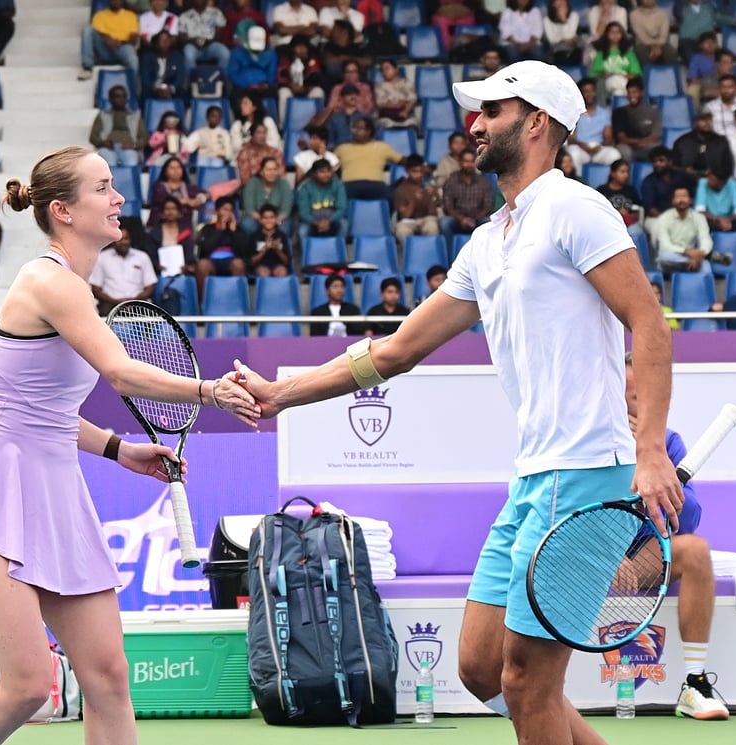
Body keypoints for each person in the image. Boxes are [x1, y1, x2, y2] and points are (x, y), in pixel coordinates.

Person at [231, 60, 682, 745]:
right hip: (533, 478)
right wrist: (280, 396)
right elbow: (394, 350)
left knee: (529, 681)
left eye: (492, 112)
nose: (474, 125)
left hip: (588, 473)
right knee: (478, 667)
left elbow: (648, 320)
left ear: (536, 122)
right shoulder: (485, 243)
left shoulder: (574, 208)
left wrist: (650, 450)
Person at [0, 145, 259, 745]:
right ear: (63, 210)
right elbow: (124, 373)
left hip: (57, 493)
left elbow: (44, 409)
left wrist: (117, 449)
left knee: (108, 675)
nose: (119, 199)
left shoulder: (78, 288)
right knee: (27, 683)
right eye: (103, 187)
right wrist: (209, 390)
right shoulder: (46, 281)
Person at [623, 353, 729, 720]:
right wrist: (606, 554)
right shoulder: (587, 442)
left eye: (645, 397)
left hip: (645, 561)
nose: (640, 405)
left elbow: (690, 519)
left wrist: (654, 461)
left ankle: (694, 683)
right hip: (590, 559)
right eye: (633, 396)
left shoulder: (669, 442)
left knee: (696, 550)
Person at [89, 226, 159, 316]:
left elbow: (150, 287)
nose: (123, 242)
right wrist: (117, 302)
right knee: (103, 313)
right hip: (110, 303)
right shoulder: (102, 258)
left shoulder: (142, 257)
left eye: (126, 238)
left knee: (151, 315)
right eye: (120, 239)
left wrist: (133, 302)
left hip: (139, 303)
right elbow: (96, 289)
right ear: (113, 241)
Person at [334, 116, 405, 202]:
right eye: (354, 128)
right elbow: (328, 165)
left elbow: (402, 160)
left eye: (359, 128)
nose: (355, 131)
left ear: (369, 132)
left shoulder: (381, 147)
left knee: (390, 197)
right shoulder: (342, 148)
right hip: (349, 185)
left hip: (375, 185)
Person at [194, 194, 250, 298]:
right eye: (224, 210)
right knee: (202, 265)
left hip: (231, 260)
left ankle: (237, 301)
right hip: (212, 261)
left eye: (230, 210)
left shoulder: (238, 230)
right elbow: (205, 250)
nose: (227, 213)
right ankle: (203, 302)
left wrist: (234, 232)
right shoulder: (208, 228)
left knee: (238, 264)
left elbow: (243, 253)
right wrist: (220, 230)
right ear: (217, 211)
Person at [564, 77, 621, 175]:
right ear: (581, 94)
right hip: (581, 148)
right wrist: (583, 146)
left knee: (615, 155)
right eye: (586, 91)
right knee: (573, 153)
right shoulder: (575, 112)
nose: (590, 94)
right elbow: (571, 138)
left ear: (596, 92)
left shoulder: (605, 113)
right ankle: (579, 184)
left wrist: (599, 146)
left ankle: (607, 187)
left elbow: (608, 138)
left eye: (592, 91)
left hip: (598, 148)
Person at [655, 185, 716, 272]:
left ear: (690, 200)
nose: (681, 200)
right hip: (672, 259)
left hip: (693, 256)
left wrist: (700, 254)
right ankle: (688, 263)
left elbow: (706, 240)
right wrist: (686, 251)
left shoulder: (699, 218)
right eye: (678, 197)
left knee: (707, 268)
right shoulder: (664, 218)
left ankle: (691, 263)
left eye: (684, 196)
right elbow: (665, 246)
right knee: (663, 258)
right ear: (673, 201)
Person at [440, 148, 494, 246]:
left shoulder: (484, 182)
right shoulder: (451, 181)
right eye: (466, 161)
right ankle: (449, 257)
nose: (469, 165)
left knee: (489, 221)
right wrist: (462, 219)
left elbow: (487, 206)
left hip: (478, 219)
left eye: (472, 161)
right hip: (457, 220)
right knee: (445, 223)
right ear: (460, 162)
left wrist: (474, 219)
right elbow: (448, 207)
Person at [641, 145, 694, 243]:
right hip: (657, 218)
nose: (657, 164)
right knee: (658, 228)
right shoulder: (649, 181)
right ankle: (660, 257)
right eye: (654, 161)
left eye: (661, 160)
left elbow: (693, 197)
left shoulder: (682, 177)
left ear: (670, 162)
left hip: (683, 215)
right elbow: (651, 209)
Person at [78, 0, 139, 81]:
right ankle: (87, 68)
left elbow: (133, 40)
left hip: (123, 47)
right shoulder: (100, 15)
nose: (115, 2)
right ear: (108, 1)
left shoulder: (131, 16)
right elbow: (99, 32)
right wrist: (107, 39)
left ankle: (131, 87)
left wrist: (120, 42)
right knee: (87, 29)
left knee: (132, 57)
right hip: (104, 48)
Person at [88, 85, 147, 167]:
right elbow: (92, 137)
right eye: (117, 96)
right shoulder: (103, 115)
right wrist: (102, 143)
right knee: (107, 165)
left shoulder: (135, 116)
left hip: (129, 148)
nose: (122, 99)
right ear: (110, 99)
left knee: (131, 163)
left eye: (124, 96)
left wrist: (134, 145)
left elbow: (144, 138)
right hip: (108, 148)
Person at [276, 34, 325, 130]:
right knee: (283, 93)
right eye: (298, 46)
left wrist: (305, 88)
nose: (301, 49)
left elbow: (315, 77)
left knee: (318, 92)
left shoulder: (312, 60)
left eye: (304, 47)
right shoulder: (286, 59)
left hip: (307, 90)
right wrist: (291, 85)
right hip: (291, 89)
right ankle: (283, 127)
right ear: (293, 48)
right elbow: (282, 76)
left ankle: (317, 126)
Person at [295, 157, 348, 246]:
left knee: (344, 225)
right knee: (302, 231)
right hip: (312, 221)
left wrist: (328, 221)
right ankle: (308, 256)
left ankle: (338, 254)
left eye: (328, 171)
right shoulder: (305, 188)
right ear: (314, 174)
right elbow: (304, 212)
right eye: (322, 172)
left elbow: (342, 208)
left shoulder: (338, 185)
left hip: (332, 219)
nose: (326, 175)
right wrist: (317, 223)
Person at [671, 111, 734, 184]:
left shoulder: (721, 142)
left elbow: (728, 166)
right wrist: (685, 170)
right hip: (687, 182)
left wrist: (713, 174)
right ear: (695, 123)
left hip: (715, 182)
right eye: (703, 120)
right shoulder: (682, 141)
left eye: (709, 120)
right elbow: (673, 166)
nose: (707, 123)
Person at [147, 156, 207, 230]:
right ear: (165, 172)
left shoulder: (189, 187)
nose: (176, 171)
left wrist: (197, 200)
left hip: (184, 229)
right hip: (160, 228)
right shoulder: (159, 187)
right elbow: (167, 201)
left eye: (179, 167)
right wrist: (187, 201)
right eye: (172, 168)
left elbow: (207, 194)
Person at [588, 21, 642, 104]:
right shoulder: (601, 54)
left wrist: (622, 76)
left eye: (618, 32)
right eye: (612, 32)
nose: (615, 35)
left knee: (618, 92)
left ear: (622, 34)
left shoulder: (629, 54)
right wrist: (604, 75)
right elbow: (594, 76)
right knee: (613, 81)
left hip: (625, 81)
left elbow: (635, 74)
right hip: (607, 83)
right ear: (607, 34)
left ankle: (615, 108)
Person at [393, 154, 440, 246]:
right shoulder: (400, 189)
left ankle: (429, 253)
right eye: (414, 171)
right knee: (401, 230)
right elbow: (405, 216)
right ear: (407, 171)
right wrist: (414, 200)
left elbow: (433, 214)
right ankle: (412, 255)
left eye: (420, 171)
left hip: (426, 219)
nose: (418, 175)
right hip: (409, 221)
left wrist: (433, 196)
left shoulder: (429, 187)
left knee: (432, 226)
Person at [612, 76, 662, 163]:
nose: (631, 96)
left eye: (634, 92)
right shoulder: (619, 112)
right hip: (628, 147)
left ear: (641, 93)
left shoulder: (653, 112)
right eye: (629, 92)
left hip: (646, 147)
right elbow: (621, 138)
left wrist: (637, 143)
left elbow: (655, 137)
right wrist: (640, 142)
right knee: (624, 151)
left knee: (657, 150)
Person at [240, 156, 293, 236]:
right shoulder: (252, 183)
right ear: (261, 172)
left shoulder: (284, 184)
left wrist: (274, 221)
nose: (272, 173)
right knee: (247, 224)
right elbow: (249, 208)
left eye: (274, 169)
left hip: (278, 219)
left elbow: (285, 210)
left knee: (284, 228)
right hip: (257, 218)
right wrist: (263, 221)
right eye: (268, 170)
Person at [145, 195, 196, 276]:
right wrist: (157, 265)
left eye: (174, 209)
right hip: (159, 272)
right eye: (167, 209)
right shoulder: (154, 232)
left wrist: (186, 266)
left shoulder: (185, 232)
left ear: (179, 212)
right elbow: (150, 254)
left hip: (183, 272)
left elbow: (189, 254)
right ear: (162, 212)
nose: (170, 212)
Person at [227, 25, 277, 103]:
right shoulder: (236, 53)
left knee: (273, 93)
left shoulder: (271, 54)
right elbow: (232, 73)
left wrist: (266, 84)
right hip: (243, 87)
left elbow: (272, 73)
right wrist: (246, 85)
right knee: (235, 94)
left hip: (263, 88)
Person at [596, 158, 645, 237]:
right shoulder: (602, 190)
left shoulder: (631, 190)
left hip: (627, 224)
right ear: (613, 173)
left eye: (627, 172)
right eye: (622, 172)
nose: (626, 175)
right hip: (608, 224)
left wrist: (629, 215)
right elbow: (597, 211)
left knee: (636, 232)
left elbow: (638, 211)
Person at [177, 0, 229, 73]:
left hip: (211, 45)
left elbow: (219, 34)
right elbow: (181, 37)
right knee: (188, 53)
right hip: (193, 46)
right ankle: (191, 79)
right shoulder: (184, 15)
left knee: (224, 53)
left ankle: (219, 77)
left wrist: (209, 41)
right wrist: (192, 41)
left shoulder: (216, 12)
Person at [694, 168, 736, 233]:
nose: (709, 180)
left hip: (729, 221)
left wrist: (727, 220)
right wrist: (718, 220)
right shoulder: (703, 183)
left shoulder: (732, 184)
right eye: (709, 177)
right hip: (711, 221)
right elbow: (700, 212)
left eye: (712, 179)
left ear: (722, 182)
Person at [629, 0, 679, 68]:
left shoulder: (663, 13)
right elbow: (641, 35)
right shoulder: (634, 14)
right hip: (642, 43)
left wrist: (658, 46)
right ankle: (648, 77)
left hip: (662, 43)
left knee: (670, 52)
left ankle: (673, 76)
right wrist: (653, 47)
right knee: (641, 51)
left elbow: (664, 33)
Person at [373, 59, 419, 132]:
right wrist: (398, 105)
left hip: (405, 116)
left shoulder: (406, 82)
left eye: (387, 68)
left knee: (413, 124)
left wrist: (405, 111)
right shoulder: (379, 86)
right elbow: (381, 103)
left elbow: (412, 99)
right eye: (382, 70)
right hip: (387, 118)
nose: (384, 72)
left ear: (396, 69)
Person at [230, 92, 281, 157]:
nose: (241, 106)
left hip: (266, 156)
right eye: (241, 103)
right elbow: (236, 146)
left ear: (254, 107)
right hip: (246, 157)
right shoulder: (237, 125)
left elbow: (275, 142)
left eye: (245, 103)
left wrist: (259, 146)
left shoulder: (267, 121)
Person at [140, 30, 186, 102]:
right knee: (145, 93)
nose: (165, 43)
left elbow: (180, 77)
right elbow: (146, 79)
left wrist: (170, 89)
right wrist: (157, 89)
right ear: (156, 43)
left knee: (181, 92)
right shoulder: (148, 57)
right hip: (153, 90)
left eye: (167, 40)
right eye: (162, 40)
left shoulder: (177, 56)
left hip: (171, 90)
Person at [247, 204, 292, 277]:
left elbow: (287, 261)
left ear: (276, 219)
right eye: (265, 218)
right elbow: (252, 261)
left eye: (272, 217)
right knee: (263, 273)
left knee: (282, 272)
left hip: (279, 265)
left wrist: (277, 250)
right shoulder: (254, 236)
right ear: (260, 220)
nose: (269, 220)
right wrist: (265, 249)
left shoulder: (281, 236)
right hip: (260, 265)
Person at [236, 121, 285, 186]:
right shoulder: (244, 153)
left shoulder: (275, 153)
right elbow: (245, 180)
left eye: (264, 133)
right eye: (259, 133)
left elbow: (282, 175)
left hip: (275, 188)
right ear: (252, 135)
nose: (262, 136)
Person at [703, 74, 736, 139]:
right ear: (719, 89)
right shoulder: (709, 107)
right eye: (723, 87)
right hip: (717, 143)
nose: (726, 90)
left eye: (730, 87)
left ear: (735, 88)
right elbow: (706, 129)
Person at [542, 0, 580, 66]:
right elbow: (552, 39)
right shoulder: (547, 20)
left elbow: (570, 35)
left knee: (577, 53)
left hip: (572, 47)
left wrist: (564, 19)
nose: (562, 3)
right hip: (556, 49)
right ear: (553, 4)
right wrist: (564, 40)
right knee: (560, 55)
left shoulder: (574, 15)